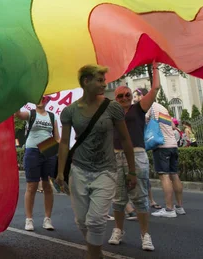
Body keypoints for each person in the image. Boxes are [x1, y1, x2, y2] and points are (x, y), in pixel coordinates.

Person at [56, 64, 137, 259]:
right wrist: (60, 173)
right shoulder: (70, 111)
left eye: (104, 80)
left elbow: (126, 140)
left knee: (95, 221)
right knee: (82, 221)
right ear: (86, 82)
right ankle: (96, 253)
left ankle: (94, 254)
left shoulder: (113, 107)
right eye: (100, 80)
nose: (104, 83)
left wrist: (132, 171)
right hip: (79, 171)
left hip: (106, 171)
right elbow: (65, 142)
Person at [108, 63, 159, 251]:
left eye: (127, 95)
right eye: (120, 96)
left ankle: (145, 235)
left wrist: (155, 67)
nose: (124, 98)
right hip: (116, 156)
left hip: (137, 156)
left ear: (131, 96)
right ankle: (118, 231)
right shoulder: (112, 113)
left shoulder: (139, 108)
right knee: (118, 198)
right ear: (115, 98)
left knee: (140, 196)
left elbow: (155, 89)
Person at [14, 95, 60, 231]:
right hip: (32, 151)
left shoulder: (52, 116)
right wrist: (17, 99)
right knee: (31, 186)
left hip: (48, 151)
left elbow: (57, 137)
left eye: (44, 98)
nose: (41, 100)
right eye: (39, 98)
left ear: (47, 101)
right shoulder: (31, 114)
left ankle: (47, 219)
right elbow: (18, 115)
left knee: (47, 185)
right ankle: (29, 219)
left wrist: (50, 148)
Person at [150, 100, 185, 218]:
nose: (135, 100)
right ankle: (179, 207)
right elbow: (173, 125)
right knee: (174, 174)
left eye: (136, 96)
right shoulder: (162, 108)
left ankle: (169, 209)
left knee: (164, 176)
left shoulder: (150, 108)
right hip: (173, 145)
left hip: (161, 146)